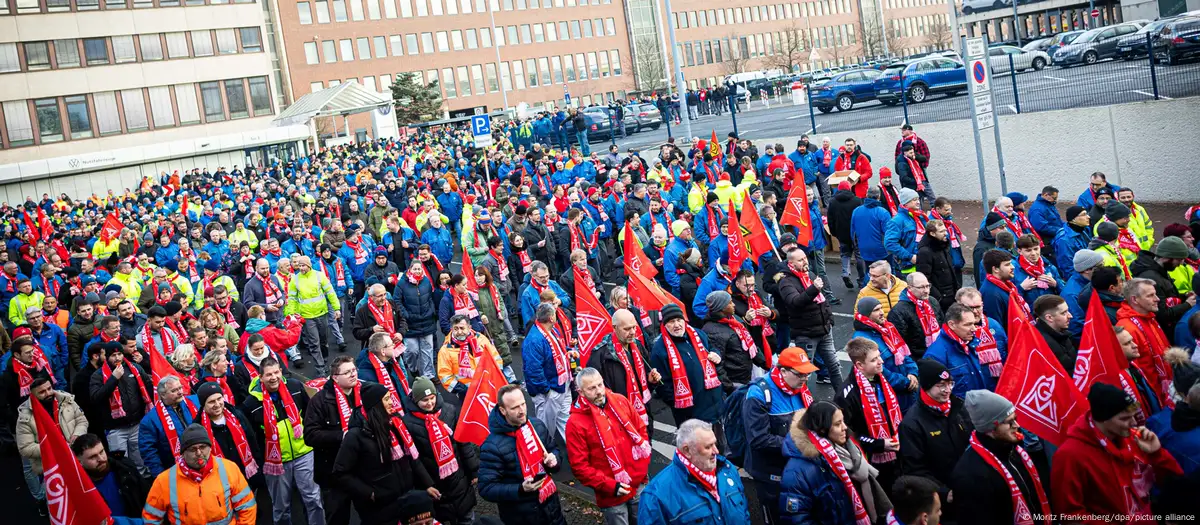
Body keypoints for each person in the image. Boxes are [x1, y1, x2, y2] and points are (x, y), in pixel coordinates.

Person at [1051, 382, 1183, 520]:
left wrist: (1157, 453)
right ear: (1102, 420)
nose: (1133, 422)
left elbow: (1176, 485)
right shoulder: (1069, 455)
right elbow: (1070, 515)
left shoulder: (1134, 438)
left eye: (1133, 415)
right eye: (1125, 418)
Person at [332, 382, 435, 525]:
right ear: (376, 405)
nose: (392, 402)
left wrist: (427, 484)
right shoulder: (356, 436)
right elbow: (340, 473)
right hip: (378, 510)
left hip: (405, 500)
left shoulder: (396, 422)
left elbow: (412, 457)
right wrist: (371, 494)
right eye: (386, 399)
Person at [241, 357, 326, 525]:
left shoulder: (294, 386)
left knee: (313, 499)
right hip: (276, 462)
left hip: (304, 452)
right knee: (281, 507)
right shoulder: (251, 403)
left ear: (281, 371)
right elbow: (252, 437)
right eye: (268, 374)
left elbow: (310, 415)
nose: (273, 377)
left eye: (276, 372)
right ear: (260, 377)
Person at [779, 401, 893, 524]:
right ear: (822, 429)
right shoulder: (797, 472)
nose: (845, 427)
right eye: (838, 424)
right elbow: (796, 519)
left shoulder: (849, 449)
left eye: (843, 421)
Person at [949, 390, 1051, 525]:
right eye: (1009, 422)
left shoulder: (1015, 451)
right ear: (990, 428)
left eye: (1016, 419)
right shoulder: (971, 474)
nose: (1017, 426)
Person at [743, 347, 818, 525]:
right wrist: (800, 444)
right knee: (776, 515)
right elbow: (758, 439)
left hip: (797, 466)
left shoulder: (801, 389)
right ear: (782, 371)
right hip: (771, 472)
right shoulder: (759, 394)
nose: (805, 379)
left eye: (807, 374)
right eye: (800, 374)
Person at [566, 368, 651, 525]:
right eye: (592, 388)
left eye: (600, 385)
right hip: (612, 495)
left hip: (638, 482)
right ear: (580, 392)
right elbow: (580, 466)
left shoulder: (620, 401)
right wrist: (610, 486)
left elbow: (640, 430)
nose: (599, 392)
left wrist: (642, 466)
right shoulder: (575, 424)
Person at [478, 384, 566, 525]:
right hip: (521, 516)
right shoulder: (492, 446)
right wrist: (520, 489)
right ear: (502, 410)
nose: (522, 411)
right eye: (514, 408)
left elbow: (554, 449)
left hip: (552, 509)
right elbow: (486, 488)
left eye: (523, 404)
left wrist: (554, 460)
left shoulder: (536, 426)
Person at [639, 419, 751, 525]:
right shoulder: (656, 496)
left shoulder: (727, 469)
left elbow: (744, 511)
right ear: (687, 450)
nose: (716, 452)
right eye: (708, 447)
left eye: (715, 444)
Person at [402, 377, 480, 525]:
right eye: (425, 400)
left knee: (467, 516)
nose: (430, 403)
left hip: (459, 479)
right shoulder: (407, 423)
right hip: (435, 483)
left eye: (432, 398)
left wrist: (473, 470)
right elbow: (414, 459)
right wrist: (427, 484)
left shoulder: (449, 410)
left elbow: (462, 442)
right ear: (415, 400)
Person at [899, 359, 971, 519]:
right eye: (941, 385)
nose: (948, 390)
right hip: (945, 504)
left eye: (950, 383)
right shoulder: (911, 425)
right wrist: (945, 493)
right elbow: (915, 470)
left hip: (970, 490)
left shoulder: (958, 407)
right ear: (926, 387)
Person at [143, 423, 256, 525]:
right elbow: (151, 518)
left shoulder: (229, 469)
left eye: (203, 447)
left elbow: (247, 507)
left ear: (210, 448)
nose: (199, 453)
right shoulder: (164, 481)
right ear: (183, 453)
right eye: (192, 449)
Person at [837, 337, 904, 494]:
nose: (881, 361)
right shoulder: (845, 395)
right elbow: (847, 435)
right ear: (860, 365)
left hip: (898, 453)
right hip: (872, 461)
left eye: (879, 356)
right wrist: (879, 444)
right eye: (874, 360)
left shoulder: (881, 379)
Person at [649, 303, 726, 431]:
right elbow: (663, 386)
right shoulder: (659, 350)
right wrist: (683, 406)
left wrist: (716, 354)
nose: (677, 325)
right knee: (698, 450)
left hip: (716, 405)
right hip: (692, 415)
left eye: (679, 320)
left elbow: (712, 348)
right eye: (672, 322)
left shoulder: (698, 334)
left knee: (719, 447)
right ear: (664, 324)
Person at [303, 356, 360, 525]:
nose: (353, 375)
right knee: (337, 518)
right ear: (335, 377)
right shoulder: (319, 401)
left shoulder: (363, 392)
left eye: (354, 370)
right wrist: (341, 436)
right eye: (347, 372)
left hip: (360, 469)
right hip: (333, 472)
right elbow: (310, 435)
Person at [15, 374, 88, 506]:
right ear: (32, 395)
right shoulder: (25, 417)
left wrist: (78, 435)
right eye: (42, 392)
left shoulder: (66, 400)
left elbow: (81, 420)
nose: (48, 393)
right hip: (51, 469)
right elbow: (25, 448)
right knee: (62, 505)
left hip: (76, 458)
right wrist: (55, 447)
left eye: (49, 388)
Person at [778, 249, 841, 391]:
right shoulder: (786, 282)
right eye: (800, 260)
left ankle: (843, 399)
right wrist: (813, 289)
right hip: (806, 334)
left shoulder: (809, 275)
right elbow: (795, 302)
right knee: (803, 373)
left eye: (805, 258)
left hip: (824, 330)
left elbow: (823, 301)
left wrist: (829, 319)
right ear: (791, 263)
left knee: (834, 367)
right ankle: (803, 403)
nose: (805, 262)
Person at [585, 309, 660, 426]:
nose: (632, 332)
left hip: (643, 412)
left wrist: (651, 381)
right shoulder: (601, 354)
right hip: (617, 416)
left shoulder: (638, 346)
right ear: (614, 328)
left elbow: (645, 382)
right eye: (627, 329)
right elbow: (592, 389)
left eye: (634, 327)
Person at [89, 341, 153, 476]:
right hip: (115, 428)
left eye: (119, 354)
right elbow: (95, 398)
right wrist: (113, 379)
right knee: (122, 463)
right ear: (106, 356)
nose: (117, 358)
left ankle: (143, 483)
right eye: (113, 355)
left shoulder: (134, 368)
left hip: (136, 423)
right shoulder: (99, 375)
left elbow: (147, 387)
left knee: (139, 459)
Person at [1116, 278, 1175, 407]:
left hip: (1166, 390)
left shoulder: (1149, 318)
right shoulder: (1128, 328)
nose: (1157, 299)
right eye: (1150, 295)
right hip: (1153, 398)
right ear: (1134, 300)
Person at [73, 433, 151, 525]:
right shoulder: (77, 489)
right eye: (93, 457)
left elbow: (149, 497)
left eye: (101, 452)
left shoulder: (125, 468)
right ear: (79, 462)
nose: (101, 459)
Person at [192, 381, 261, 483]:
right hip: (220, 481)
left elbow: (251, 440)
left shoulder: (237, 415)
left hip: (246, 474)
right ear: (203, 404)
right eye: (211, 402)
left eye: (219, 399)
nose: (217, 404)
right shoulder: (198, 428)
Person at [925, 304, 998, 399]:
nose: (974, 329)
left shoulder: (972, 343)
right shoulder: (936, 355)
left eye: (974, 324)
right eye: (967, 324)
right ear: (952, 324)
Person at [284, 255, 340, 376]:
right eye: (299, 265)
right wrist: (291, 314)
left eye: (303, 265)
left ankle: (325, 362)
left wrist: (337, 308)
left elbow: (330, 292)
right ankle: (320, 368)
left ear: (309, 265)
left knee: (324, 341)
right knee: (314, 343)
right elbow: (292, 298)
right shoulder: (295, 279)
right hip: (307, 316)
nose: (301, 268)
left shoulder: (319, 275)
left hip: (322, 313)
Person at [701, 290, 766, 389]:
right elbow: (717, 364)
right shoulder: (712, 331)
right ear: (721, 308)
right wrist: (730, 388)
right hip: (734, 383)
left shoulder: (735, 320)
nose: (734, 305)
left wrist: (764, 363)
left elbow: (749, 343)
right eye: (730, 302)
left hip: (745, 376)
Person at [1132, 237, 1197, 333]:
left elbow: (1168, 296)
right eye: (1178, 260)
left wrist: (1184, 297)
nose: (1179, 265)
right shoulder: (1150, 279)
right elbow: (1162, 314)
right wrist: (1187, 305)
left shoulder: (1160, 270)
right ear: (1166, 257)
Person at [139, 376, 200, 477]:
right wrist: (162, 476)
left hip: (202, 461)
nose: (180, 392)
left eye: (180, 388)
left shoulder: (194, 402)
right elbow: (149, 452)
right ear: (163, 395)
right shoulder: (150, 420)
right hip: (175, 471)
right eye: (174, 390)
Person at [438, 314, 505, 404]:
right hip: (466, 394)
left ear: (469, 328)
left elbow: (496, 358)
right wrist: (463, 390)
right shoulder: (445, 350)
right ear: (451, 329)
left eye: (462, 328)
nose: (459, 332)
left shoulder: (481, 339)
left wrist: (496, 377)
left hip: (488, 385)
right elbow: (445, 376)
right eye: (456, 329)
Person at [888, 272, 944, 360]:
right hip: (917, 358)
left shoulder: (932, 301)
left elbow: (942, 325)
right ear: (909, 288)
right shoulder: (898, 311)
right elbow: (900, 343)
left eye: (927, 286)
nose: (926, 290)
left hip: (938, 351)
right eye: (921, 287)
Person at [397, 259, 438, 379]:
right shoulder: (401, 283)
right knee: (411, 351)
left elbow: (430, 297)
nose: (417, 271)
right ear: (410, 269)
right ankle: (413, 369)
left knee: (427, 351)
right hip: (410, 325)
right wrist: (406, 314)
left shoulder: (426, 281)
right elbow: (397, 301)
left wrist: (431, 311)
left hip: (427, 323)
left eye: (419, 269)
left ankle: (428, 375)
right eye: (415, 269)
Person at [979, 249, 1032, 324]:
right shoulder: (992, 294)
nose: (1013, 267)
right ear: (995, 269)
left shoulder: (1006, 286)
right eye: (1007, 264)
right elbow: (996, 326)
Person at [1034, 295, 1077, 375]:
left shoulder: (1063, 333)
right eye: (1064, 313)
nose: (1070, 316)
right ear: (1049, 317)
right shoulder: (1042, 345)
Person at [1012, 234, 1062, 304]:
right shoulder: (1012, 271)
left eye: (1036, 249)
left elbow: (1064, 290)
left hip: (1052, 310)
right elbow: (1009, 300)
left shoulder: (1049, 266)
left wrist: (1056, 284)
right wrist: (1021, 288)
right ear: (1019, 251)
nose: (1033, 253)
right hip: (1031, 313)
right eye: (1028, 250)